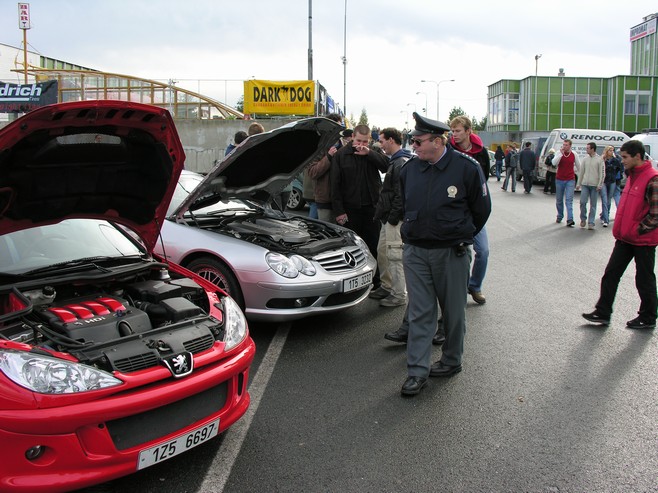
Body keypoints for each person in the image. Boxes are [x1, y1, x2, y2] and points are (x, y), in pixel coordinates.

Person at [398, 112, 491, 397]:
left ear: (438, 142)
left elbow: (481, 210)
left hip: (451, 253)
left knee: (453, 314)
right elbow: (404, 202)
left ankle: (451, 361)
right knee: (421, 312)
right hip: (416, 253)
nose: (413, 146)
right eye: (412, 140)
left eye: (419, 141)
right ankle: (417, 372)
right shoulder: (410, 169)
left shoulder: (466, 168)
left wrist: (459, 233)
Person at [582, 140, 658, 330]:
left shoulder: (652, 178)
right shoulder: (632, 175)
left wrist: (637, 230)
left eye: (625, 157)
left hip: (643, 240)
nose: (621, 160)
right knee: (610, 274)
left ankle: (648, 317)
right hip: (625, 238)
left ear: (637, 157)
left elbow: (656, 214)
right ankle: (603, 311)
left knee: (644, 279)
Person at [331, 124, 390, 289]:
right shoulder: (341, 155)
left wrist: (369, 153)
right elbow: (335, 185)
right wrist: (339, 211)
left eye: (365, 141)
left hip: (371, 208)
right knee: (352, 248)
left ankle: (376, 280)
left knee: (374, 245)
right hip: (350, 209)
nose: (361, 144)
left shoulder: (373, 152)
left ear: (370, 140)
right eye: (358, 140)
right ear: (352, 138)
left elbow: (387, 166)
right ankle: (353, 281)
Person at [449, 115, 490, 304]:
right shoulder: (449, 150)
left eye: (457, 131)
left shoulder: (482, 152)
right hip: (456, 209)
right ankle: (458, 288)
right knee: (461, 253)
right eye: (453, 131)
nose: (454, 134)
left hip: (475, 210)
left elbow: (484, 182)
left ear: (468, 131)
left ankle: (475, 286)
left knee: (483, 251)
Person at [372, 128, 413, 306]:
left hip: (394, 219)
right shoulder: (395, 161)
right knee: (383, 252)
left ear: (391, 140)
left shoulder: (400, 162)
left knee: (395, 257)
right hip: (387, 217)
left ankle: (399, 295)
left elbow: (400, 195)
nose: (381, 145)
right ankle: (387, 286)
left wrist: (393, 218)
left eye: (382, 141)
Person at [307, 114, 345, 223]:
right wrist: (328, 157)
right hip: (325, 200)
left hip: (343, 200)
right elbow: (312, 172)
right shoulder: (318, 146)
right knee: (326, 232)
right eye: (336, 127)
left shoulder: (343, 145)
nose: (338, 130)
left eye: (340, 127)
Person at [553, 138, 581, 227]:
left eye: (566, 145)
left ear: (570, 146)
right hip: (559, 179)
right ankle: (560, 215)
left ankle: (570, 219)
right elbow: (554, 163)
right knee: (559, 200)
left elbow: (579, 166)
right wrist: (560, 155)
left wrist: (579, 180)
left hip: (570, 179)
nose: (564, 146)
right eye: (563, 145)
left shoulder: (574, 154)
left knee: (569, 200)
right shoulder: (559, 153)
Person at [577, 142, 604, 229]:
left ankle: (591, 222)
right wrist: (578, 183)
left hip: (594, 185)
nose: (586, 149)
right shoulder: (585, 159)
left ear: (593, 149)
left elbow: (602, 173)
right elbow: (581, 172)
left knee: (593, 204)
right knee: (583, 202)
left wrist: (600, 184)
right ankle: (583, 218)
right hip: (585, 184)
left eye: (588, 148)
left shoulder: (599, 159)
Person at [600, 145, 622, 227]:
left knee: (609, 200)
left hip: (612, 181)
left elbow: (620, 169)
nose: (611, 152)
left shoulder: (615, 160)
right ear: (606, 151)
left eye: (612, 150)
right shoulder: (602, 160)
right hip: (604, 181)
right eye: (610, 150)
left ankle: (605, 216)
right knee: (604, 200)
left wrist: (616, 177)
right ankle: (605, 219)